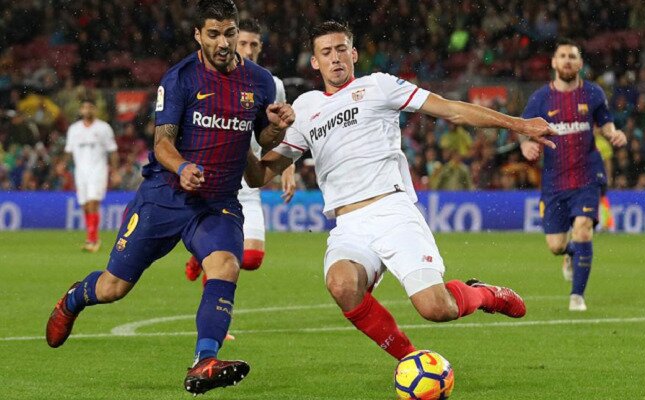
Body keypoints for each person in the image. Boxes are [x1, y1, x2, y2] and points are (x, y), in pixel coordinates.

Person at [244, 21, 556, 363]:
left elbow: (452, 110)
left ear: (354, 53)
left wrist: (520, 125)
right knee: (342, 285)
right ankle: (411, 360)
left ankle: (484, 294)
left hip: (392, 211)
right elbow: (259, 175)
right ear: (315, 62)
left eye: (341, 49)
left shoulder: (379, 86)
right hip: (348, 225)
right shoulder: (304, 108)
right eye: (326, 52)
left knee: (437, 308)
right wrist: (242, 135)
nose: (335, 58)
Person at [45, 0, 295, 395]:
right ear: (198, 35)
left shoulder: (260, 82)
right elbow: (162, 142)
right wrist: (182, 168)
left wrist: (277, 129)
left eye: (229, 32)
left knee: (227, 264)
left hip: (218, 201)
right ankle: (74, 298)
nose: (223, 42)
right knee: (114, 288)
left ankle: (204, 360)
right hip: (165, 195)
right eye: (213, 34)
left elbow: (261, 138)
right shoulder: (180, 78)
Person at [184, 18, 296, 283]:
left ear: (260, 47)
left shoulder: (271, 84)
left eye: (254, 44)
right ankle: (215, 312)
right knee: (224, 256)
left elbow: (281, 128)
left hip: (248, 182)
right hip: (218, 179)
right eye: (243, 42)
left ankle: (202, 255)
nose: (248, 49)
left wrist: (288, 167)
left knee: (252, 259)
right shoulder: (213, 79)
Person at [519, 38, 627, 311]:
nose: (567, 60)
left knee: (583, 229)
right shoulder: (541, 98)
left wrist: (614, 133)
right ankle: (569, 255)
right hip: (555, 181)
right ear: (554, 63)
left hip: (587, 176)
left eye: (572, 56)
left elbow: (605, 122)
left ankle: (577, 295)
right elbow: (524, 128)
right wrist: (527, 144)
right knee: (556, 245)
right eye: (562, 56)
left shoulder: (593, 93)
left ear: (580, 63)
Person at [64, 98, 119, 252]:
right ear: (80, 110)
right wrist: (62, 165)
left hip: (98, 169)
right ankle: (92, 238)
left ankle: (92, 240)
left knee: (92, 203)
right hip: (80, 172)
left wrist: (114, 171)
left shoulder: (104, 128)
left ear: (95, 109)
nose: (87, 110)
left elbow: (112, 151)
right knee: (84, 206)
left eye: (90, 107)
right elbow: (68, 151)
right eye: (84, 107)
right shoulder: (74, 129)